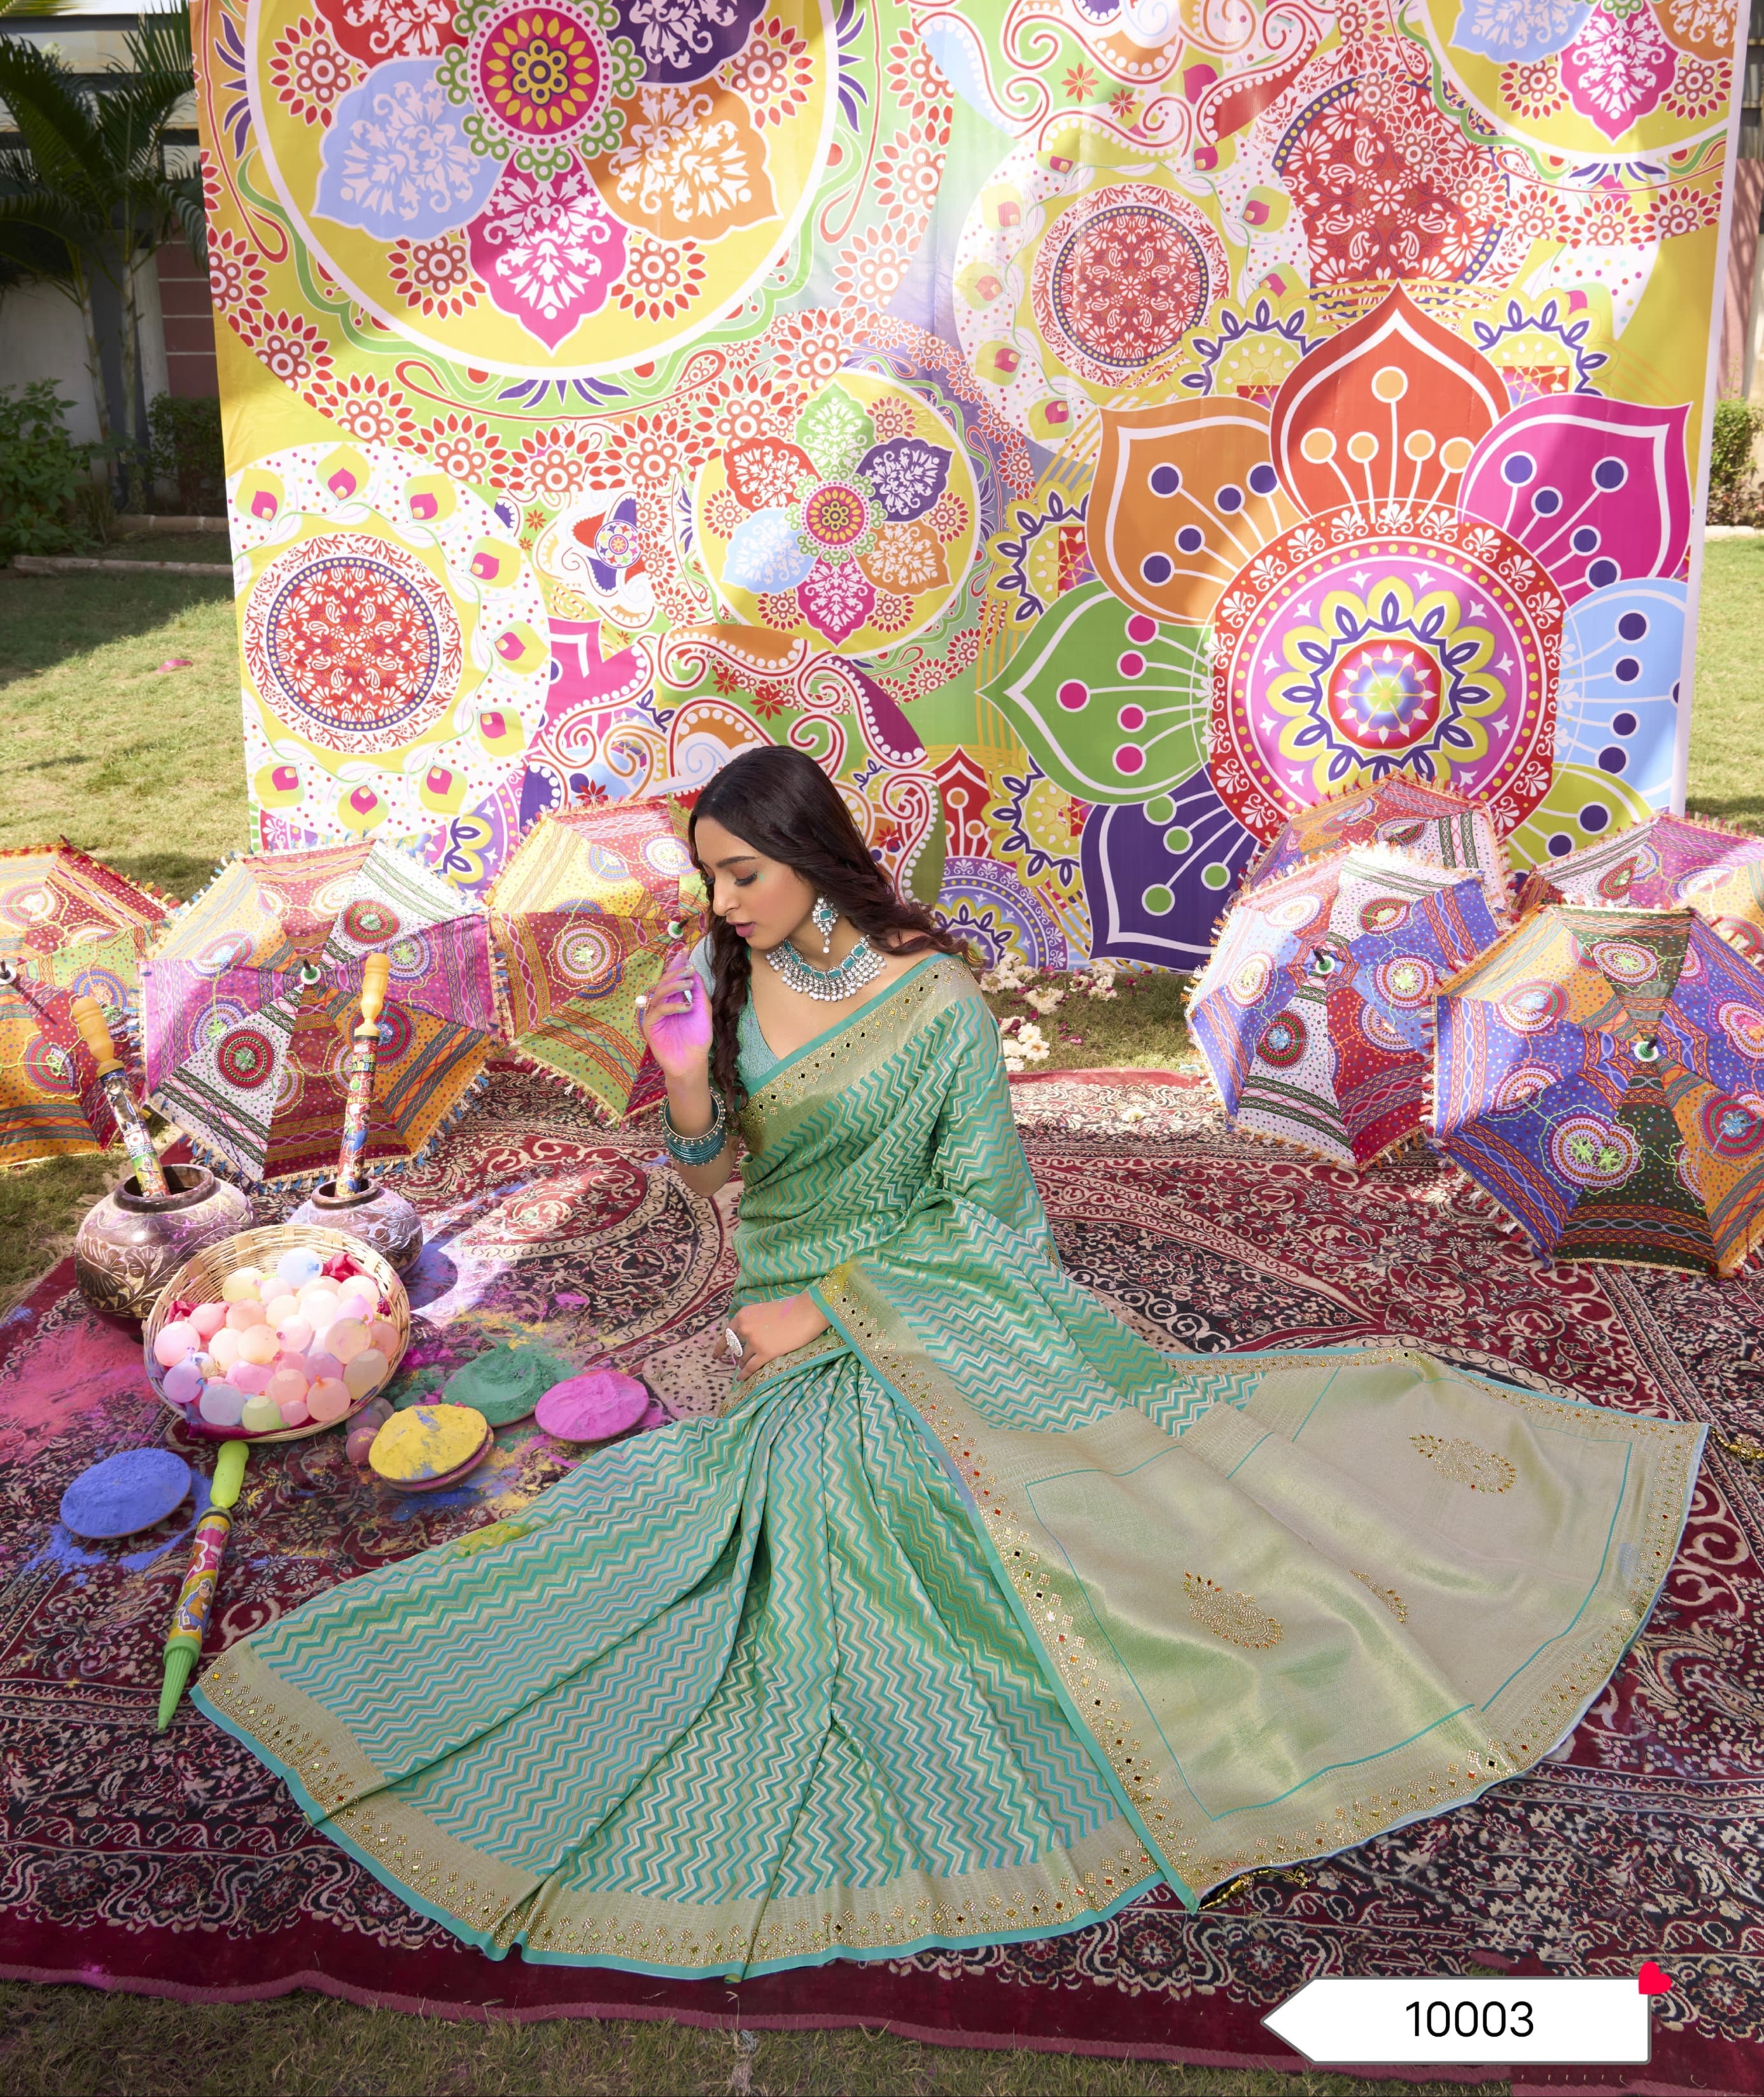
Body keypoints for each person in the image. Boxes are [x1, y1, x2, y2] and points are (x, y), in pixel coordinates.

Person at [196, 747, 1704, 1982]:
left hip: (915, 1298)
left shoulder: (934, 1001)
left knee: (936, 1506)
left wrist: (834, 1313)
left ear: (814, 858)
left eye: (745, 874)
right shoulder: (718, 976)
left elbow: (991, 1216)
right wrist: (684, 1082)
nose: (723, 904)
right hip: (782, 1290)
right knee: (785, 1519)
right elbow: (713, 1178)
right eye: (710, 877)